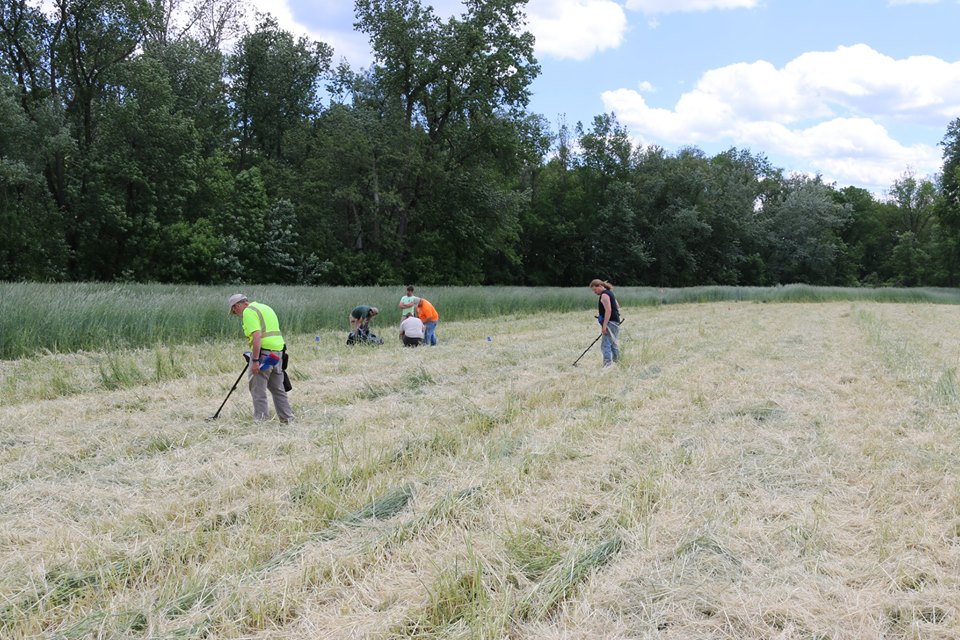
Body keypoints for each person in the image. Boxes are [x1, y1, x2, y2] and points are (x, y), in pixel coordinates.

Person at [228, 293, 293, 423]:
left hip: (264, 354)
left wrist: (256, 360)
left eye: (234, 310)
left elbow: (257, 336)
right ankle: (287, 419)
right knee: (278, 388)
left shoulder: (249, 312)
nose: (236, 313)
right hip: (277, 353)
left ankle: (261, 421)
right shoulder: (265, 308)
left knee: (258, 388)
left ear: (238, 305)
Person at [590, 279, 621, 368]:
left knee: (605, 344)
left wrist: (604, 326)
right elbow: (617, 306)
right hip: (615, 321)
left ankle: (607, 365)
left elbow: (608, 310)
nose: (594, 292)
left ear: (599, 286)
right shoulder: (610, 293)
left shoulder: (604, 295)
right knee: (613, 343)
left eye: (595, 290)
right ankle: (617, 362)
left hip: (610, 322)